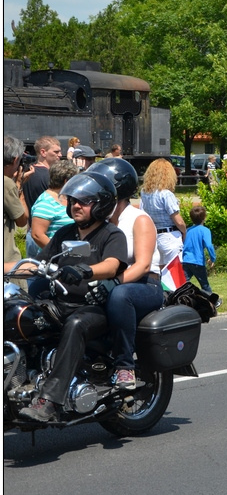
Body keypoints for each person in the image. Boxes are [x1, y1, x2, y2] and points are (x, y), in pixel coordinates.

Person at [18, 172, 128, 421]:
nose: (76, 205)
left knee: (76, 324)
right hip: (59, 303)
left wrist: (84, 270)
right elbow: (37, 264)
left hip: (93, 309)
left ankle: (50, 401)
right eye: (73, 201)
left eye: (84, 201)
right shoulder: (65, 234)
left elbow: (112, 265)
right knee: (21, 315)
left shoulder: (112, 235)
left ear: (101, 203)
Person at [87, 157, 163, 391]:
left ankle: (124, 367)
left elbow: (142, 265)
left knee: (120, 296)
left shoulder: (138, 219)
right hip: (110, 283)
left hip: (144, 285)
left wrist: (113, 283)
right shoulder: (102, 221)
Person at [140, 158, 187, 266]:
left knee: (159, 274)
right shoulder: (166, 194)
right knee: (175, 276)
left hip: (155, 236)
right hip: (170, 236)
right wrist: (184, 232)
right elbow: (179, 221)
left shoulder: (144, 193)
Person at [22, 136, 62, 257]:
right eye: (56, 152)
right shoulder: (50, 177)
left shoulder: (28, 173)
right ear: (43, 152)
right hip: (47, 234)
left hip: (31, 233)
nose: (60, 155)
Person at [29, 160, 77, 251]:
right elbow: (37, 235)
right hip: (55, 259)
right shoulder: (46, 202)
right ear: (66, 181)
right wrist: (58, 251)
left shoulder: (66, 198)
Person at [3, 135, 30, 274]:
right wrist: (19, 185)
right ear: (15, 160)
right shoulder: (6, 184)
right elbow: (22, 221)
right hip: (6, 262)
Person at [182, 205, 217, 294]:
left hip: (186, 260)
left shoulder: (188, 230)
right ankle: (212, 301)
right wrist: (212, 258)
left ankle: (180, 300)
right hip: (197, 261)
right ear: (204, 218)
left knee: (183, 284)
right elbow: (209, 245)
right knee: (204, 285)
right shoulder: (205, 230)